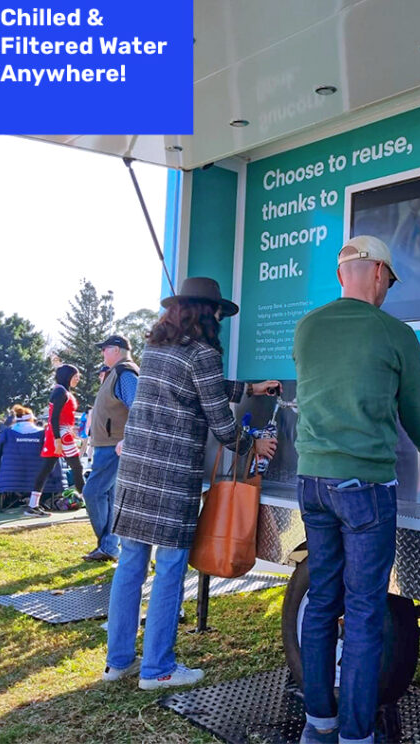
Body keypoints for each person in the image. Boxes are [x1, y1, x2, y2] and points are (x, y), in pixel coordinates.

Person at [292, 236, 420, 744]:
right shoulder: (395, 333)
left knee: (321, 601)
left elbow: (331, 388)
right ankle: (356, 735)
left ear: (344, 274)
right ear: (378, 273)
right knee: (363, 611)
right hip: (364, 487)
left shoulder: (307, 328)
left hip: (312, 482)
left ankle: (319, 724)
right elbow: (414, 412)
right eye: (389, 282)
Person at [103, 277, 279, 690]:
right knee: (168, 568)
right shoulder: (202, 354)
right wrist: (256, 445)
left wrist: (249, 389)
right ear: (208, 313)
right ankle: (157, 669)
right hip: (170, 477)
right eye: (218, 312)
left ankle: (119, 661)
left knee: (130, 564)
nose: (221, 319)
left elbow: (198, 389)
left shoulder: (156, 349)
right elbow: (220, 422)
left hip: (136, 473)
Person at [81, 336, 138, 562]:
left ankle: (108, 545)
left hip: (115, 445)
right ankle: (109, 545)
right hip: (111, 444)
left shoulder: (125, 373)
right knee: (109, 497)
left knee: (92, 492)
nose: (102, 353)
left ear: (115, 350)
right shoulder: (120, 372)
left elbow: (137, 406)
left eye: (104, 349)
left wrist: (128, 438)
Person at [26, 364, 84, 517]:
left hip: (62, 433)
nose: (78, 378)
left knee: (47, 468)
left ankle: (33, 505)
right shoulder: (60, 391)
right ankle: (88, 502)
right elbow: (54, 417)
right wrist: (58, 439)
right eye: (75, 375)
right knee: (76, 467)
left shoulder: (63, 391)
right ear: (67, 376)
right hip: (60, 435)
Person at [0, 405, 65, 500]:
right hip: (43, 483)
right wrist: (60, 480)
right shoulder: (44, 434)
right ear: (32, 419)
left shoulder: (7, 433)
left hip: (9, 482)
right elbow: (55, 457)